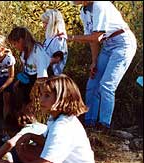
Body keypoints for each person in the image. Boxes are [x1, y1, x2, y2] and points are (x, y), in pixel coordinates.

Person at [68, 1, 137, 132]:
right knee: (93, 82)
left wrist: (70, 37)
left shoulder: (100, 4)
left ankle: (104, 125)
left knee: (107, 85)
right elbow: (92, 40)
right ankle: (89, 122)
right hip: (107, 45)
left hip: (122, 43)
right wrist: (94, 61)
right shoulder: (84, 11)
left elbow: (96, 37)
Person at [8, 27, 51, 126]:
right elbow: (27, 69)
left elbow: (42, 74)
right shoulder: (24, 52)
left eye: (15, 43)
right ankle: (26, 123)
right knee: (22, 102)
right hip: (29, 78)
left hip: (40, 79)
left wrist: (38, 91)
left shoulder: (37, 51)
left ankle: (36, 125)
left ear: (21, 40)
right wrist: (19, 81)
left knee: (33, 105)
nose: (14, 47)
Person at [41, 9, 68, 76]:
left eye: (45, 23)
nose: (43, 26)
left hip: (53, 77)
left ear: (52, 24)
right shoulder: (49, 38)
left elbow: (57, 59)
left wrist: (39, 62)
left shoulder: (59, 40)